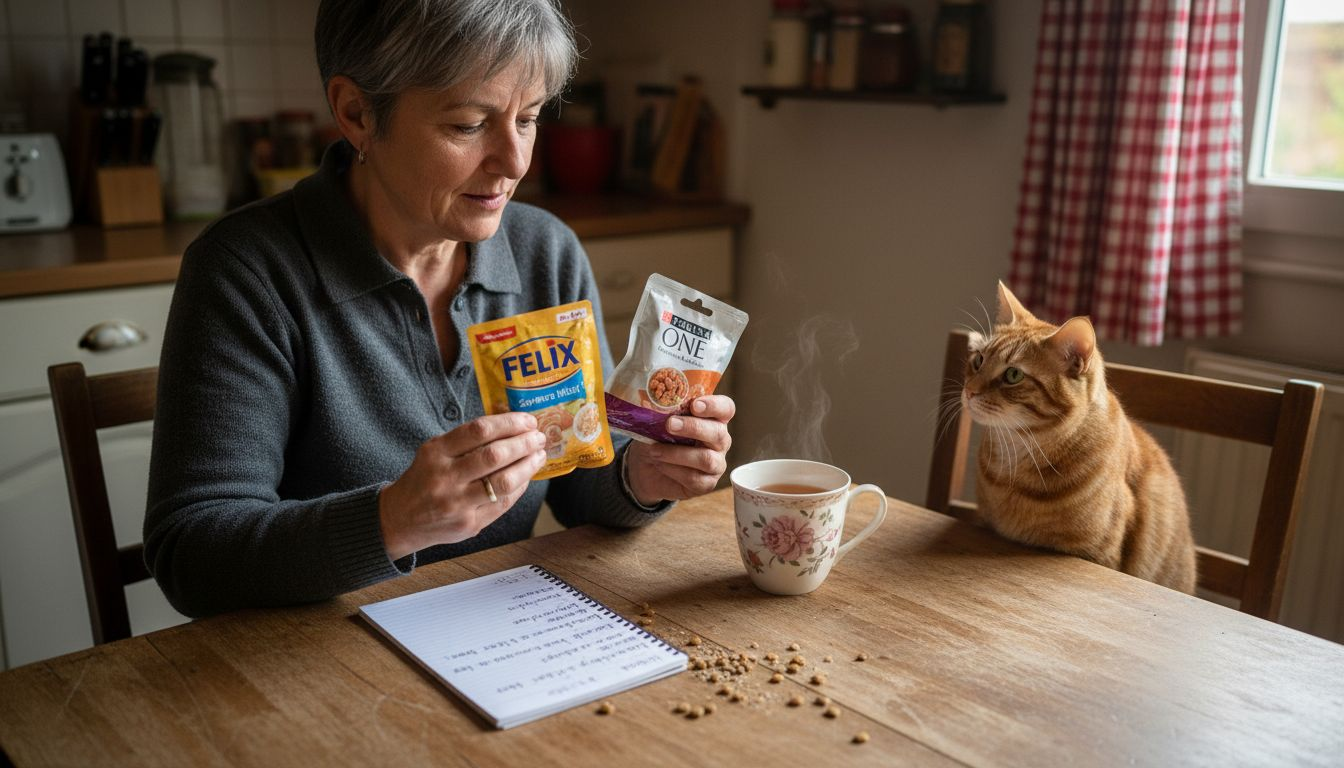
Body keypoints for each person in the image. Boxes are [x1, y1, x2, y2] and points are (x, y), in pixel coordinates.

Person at [143, 0, 735, 617]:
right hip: (311, 665)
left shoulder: (543, 252)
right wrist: (392, 521)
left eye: (528, 119)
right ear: (357, 114)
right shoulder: (247, 273)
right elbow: (191, 553)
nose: (513, 163)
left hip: (503, 631)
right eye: (468, 125)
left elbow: (581, 478)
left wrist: (641, 475)